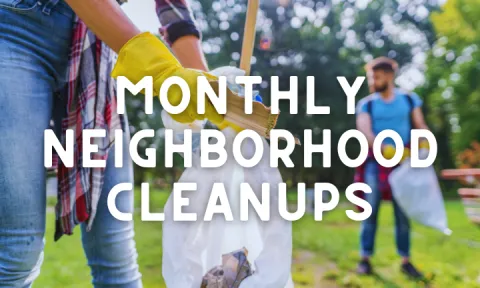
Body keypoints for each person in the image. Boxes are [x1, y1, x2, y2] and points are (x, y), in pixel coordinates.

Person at [0, 0, 223, 286]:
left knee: (117, 256)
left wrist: (212, 90)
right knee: (16, 252)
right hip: (15, 28)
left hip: (93, 44)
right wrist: (161, 71)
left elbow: (174, 8)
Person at [355, 57, 429, 279]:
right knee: (371, 209)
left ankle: (405, 260)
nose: (373, 81)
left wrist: (424, 142)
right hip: (376, 161)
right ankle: (365, 258)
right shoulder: (366, 104)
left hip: (404, 162)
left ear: (388, 76)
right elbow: (365, 132)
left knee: (402, 212)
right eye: (371, 77)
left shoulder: (408, 99)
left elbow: (420, 124)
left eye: (376, 77)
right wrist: (385, 148)